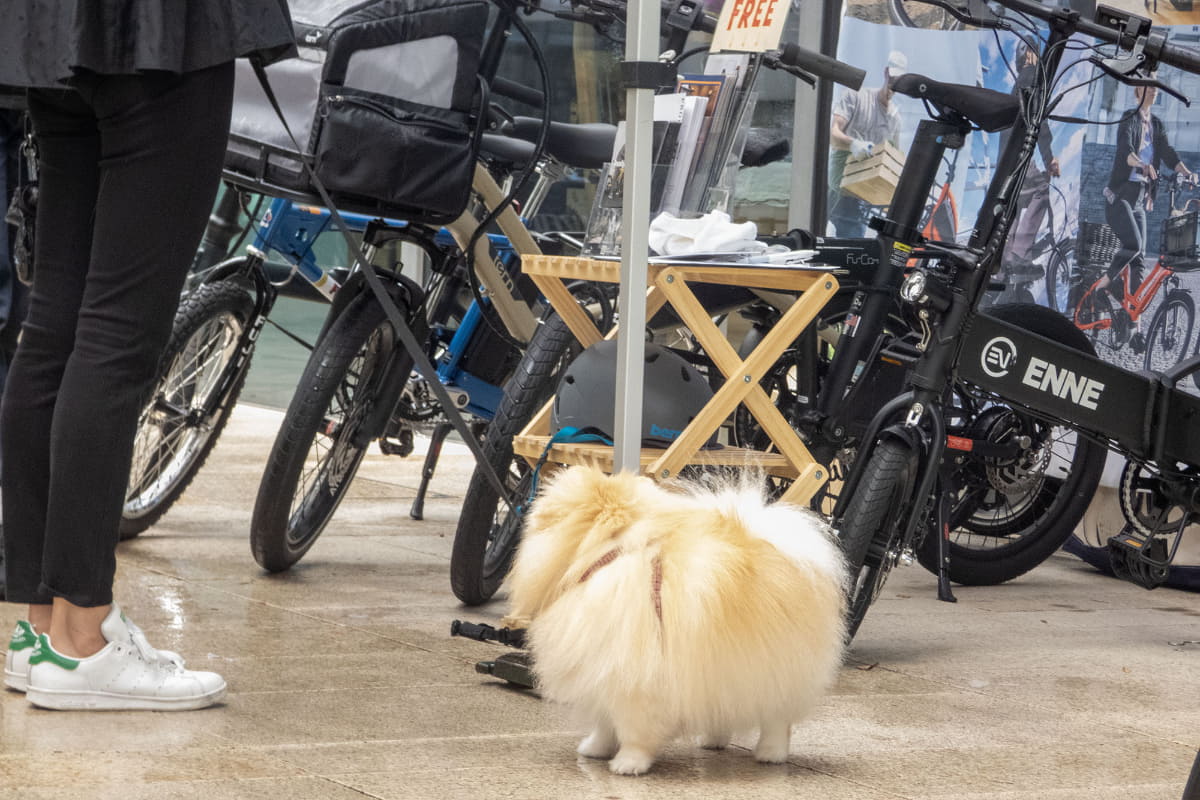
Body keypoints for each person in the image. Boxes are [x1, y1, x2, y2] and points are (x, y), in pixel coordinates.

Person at [0, 3, 294, 710]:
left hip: (53, 29)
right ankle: (84, 642)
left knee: (55, 327)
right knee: (115, 337)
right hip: (162, 33)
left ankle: (36, 630)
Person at [1103, 81, 1195, 303]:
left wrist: (1187, 171)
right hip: (1120, 194)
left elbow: (1167, 152)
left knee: (1140, 259)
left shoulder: (1156, 124)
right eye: (1150, 87)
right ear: (1139, 91)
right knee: (1133, 245)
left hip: (1139, 198)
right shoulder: (1129, 117)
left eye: (1156, 88)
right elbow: (1126, 150)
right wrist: (1142, 165)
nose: (1155, 91)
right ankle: (1103, 285)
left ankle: (1133, 323)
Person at [827, 50, 907, 238]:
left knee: (851, 248)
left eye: (901, 83)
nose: (895, 87)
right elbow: (833, 134)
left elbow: (894, 160)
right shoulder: (856, 97)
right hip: (835, 185)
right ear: (886, 72)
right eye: (894, 79)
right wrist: (853, 144)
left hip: (859, 196)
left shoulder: (895, 119)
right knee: (816, 238)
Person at [999, 41, 1061, 281]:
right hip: (1020, 160)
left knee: (1012, 210)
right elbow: (1039, 122)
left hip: (1005, 163)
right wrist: (1049, 159)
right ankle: (1021, 256)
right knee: (1042, 190)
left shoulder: (1017, 84)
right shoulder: (1033, 77)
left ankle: (1004, 268)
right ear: (1032, 55)